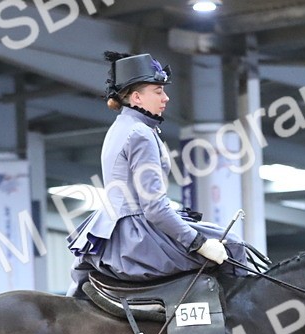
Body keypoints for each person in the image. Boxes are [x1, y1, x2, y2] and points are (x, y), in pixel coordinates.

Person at [67, 51, 246, 290]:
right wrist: (199, 243)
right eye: (158, 91)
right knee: (232, 244)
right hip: (136, 237)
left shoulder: (122, 126)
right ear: (137, 97)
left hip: (117, 231)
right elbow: (154, 208)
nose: (166, 98)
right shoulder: (140, 134)